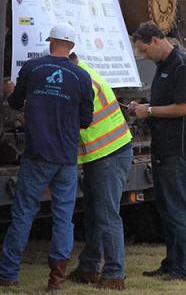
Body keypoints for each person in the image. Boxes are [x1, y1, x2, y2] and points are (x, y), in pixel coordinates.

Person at [0, 23, 94, 290]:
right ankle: (56, 279)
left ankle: (8, 274)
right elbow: (86, 120)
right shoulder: (82, 77)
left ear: (51, 42)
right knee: (63, 218)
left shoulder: (32, 69)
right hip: (66, 158)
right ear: (71, 46)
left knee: (24, 214)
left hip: (37, 154)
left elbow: (14, 103)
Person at [127, 22, 186, 282]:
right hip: (161, 148)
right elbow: (163, 104)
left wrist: (151, 111)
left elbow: (185, 108)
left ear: (157, 40)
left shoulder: (182, 66)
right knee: (166, 209)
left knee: (179, 209)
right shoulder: (163, 67)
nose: (144, 56)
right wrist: (143, 106)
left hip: (177, 150)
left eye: (145, 50)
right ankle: (172, 262)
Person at [66, 52, 133, 290]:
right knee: (96, 212)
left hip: (109, 152)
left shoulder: (78, 80)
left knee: (106, 215)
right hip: (106, 151)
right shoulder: (83, 71)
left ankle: (115, 274)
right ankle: (89, 267)